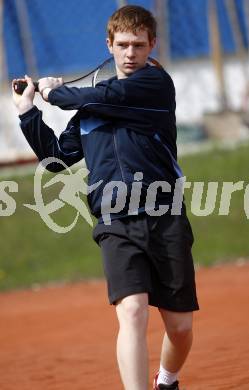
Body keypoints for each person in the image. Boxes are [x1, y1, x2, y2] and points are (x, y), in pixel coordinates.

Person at [12, 5, 199, 390]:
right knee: (131, 312)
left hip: (165, 217)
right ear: (109, 45)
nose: (131, 52)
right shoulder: (91, 110)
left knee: (179, 327)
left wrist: (50, 90)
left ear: (152, 46)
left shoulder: (154, 86)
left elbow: (99, 95)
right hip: (115, 221)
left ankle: (167, 379)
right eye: (123, 45)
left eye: (139, 45)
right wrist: (29, 111)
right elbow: (57, 160)